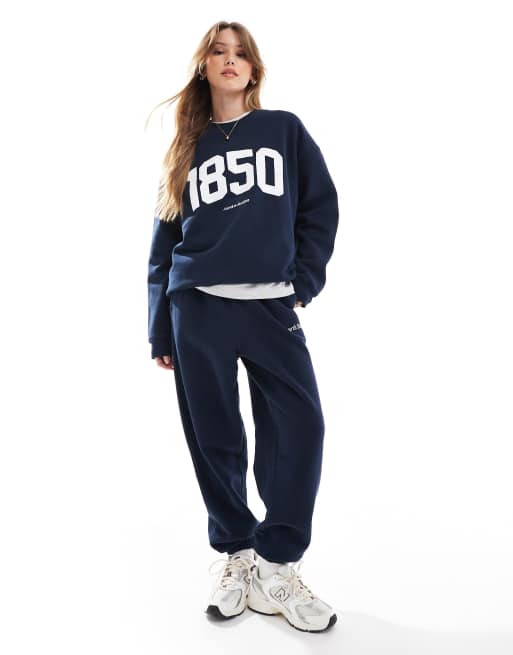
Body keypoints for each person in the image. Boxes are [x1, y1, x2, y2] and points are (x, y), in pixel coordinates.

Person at [146, 20, 339, 633]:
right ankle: (236, 555)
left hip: (270, 306)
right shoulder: (185, 147)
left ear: (254, 69)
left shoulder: (283, 130)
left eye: (240, 54)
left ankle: (277, 565)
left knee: (300, 425)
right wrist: (159, 328)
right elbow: (163, 245)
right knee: (215, 435)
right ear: (204, 67)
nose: (229, 60)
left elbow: (320, 207)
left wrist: (304, 280)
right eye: (218, 52)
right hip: (197, 307)